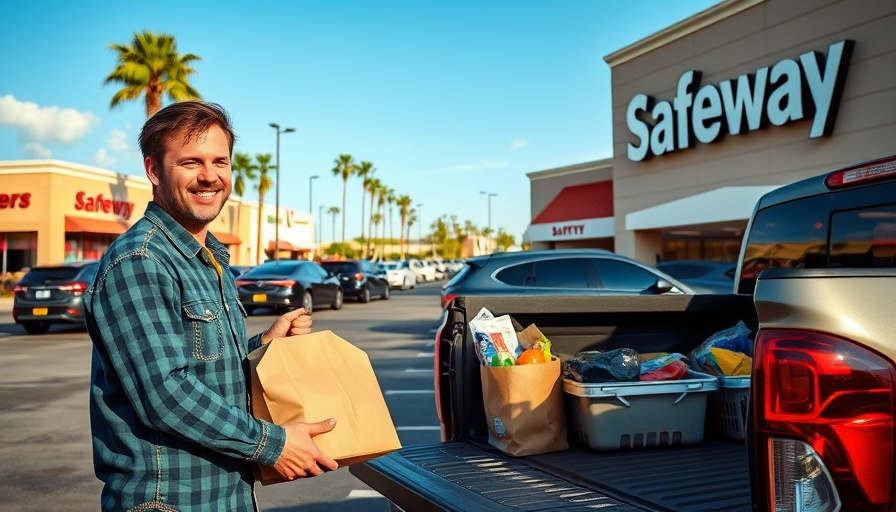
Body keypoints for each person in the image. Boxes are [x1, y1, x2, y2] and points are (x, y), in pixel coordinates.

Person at [85, 101, 338, 511]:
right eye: (190, 162)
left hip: (224, 495)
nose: (209, 176)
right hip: (172, 499)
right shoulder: (140, 261)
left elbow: (203, 364)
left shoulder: (210, 259)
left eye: (220, 161)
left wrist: (263, 345)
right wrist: (273, 445)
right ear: (153, 171)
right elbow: (164, 393)